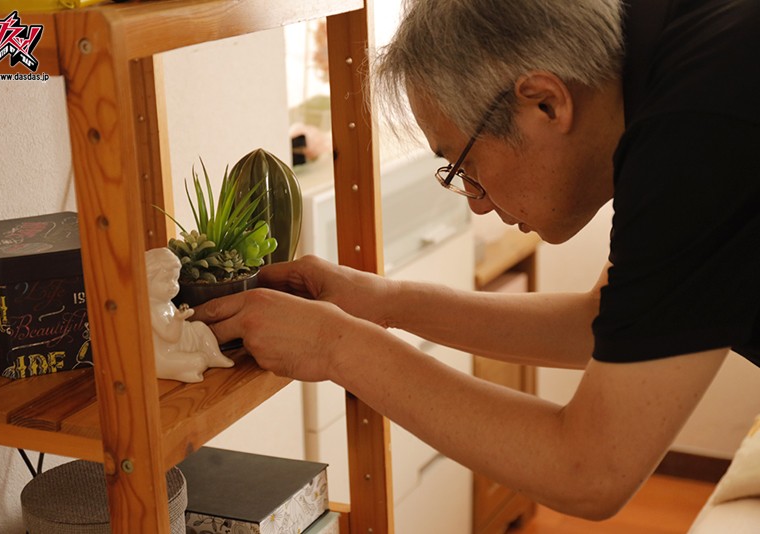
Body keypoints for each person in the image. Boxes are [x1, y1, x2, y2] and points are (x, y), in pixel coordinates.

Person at [192, 0, 760, 520]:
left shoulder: (700, 123)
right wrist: (384, 302)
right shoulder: (670, 57)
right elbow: (603, 321)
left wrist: (336, 346)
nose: (478, 204)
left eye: (466, 165)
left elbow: (590, 470)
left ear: (546, 102)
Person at [145, 248, 234, 383]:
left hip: (177, 345)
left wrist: (181, 319)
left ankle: (215, 356)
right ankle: (185, 371)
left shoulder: (165, 302)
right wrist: (179, 319)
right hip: (163, 357)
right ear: (146, 282)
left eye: (175, 279)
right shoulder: (150, 309)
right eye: (166, 280)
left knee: (200, 327)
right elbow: (171, 336)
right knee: (199, 361)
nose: (173, 285)